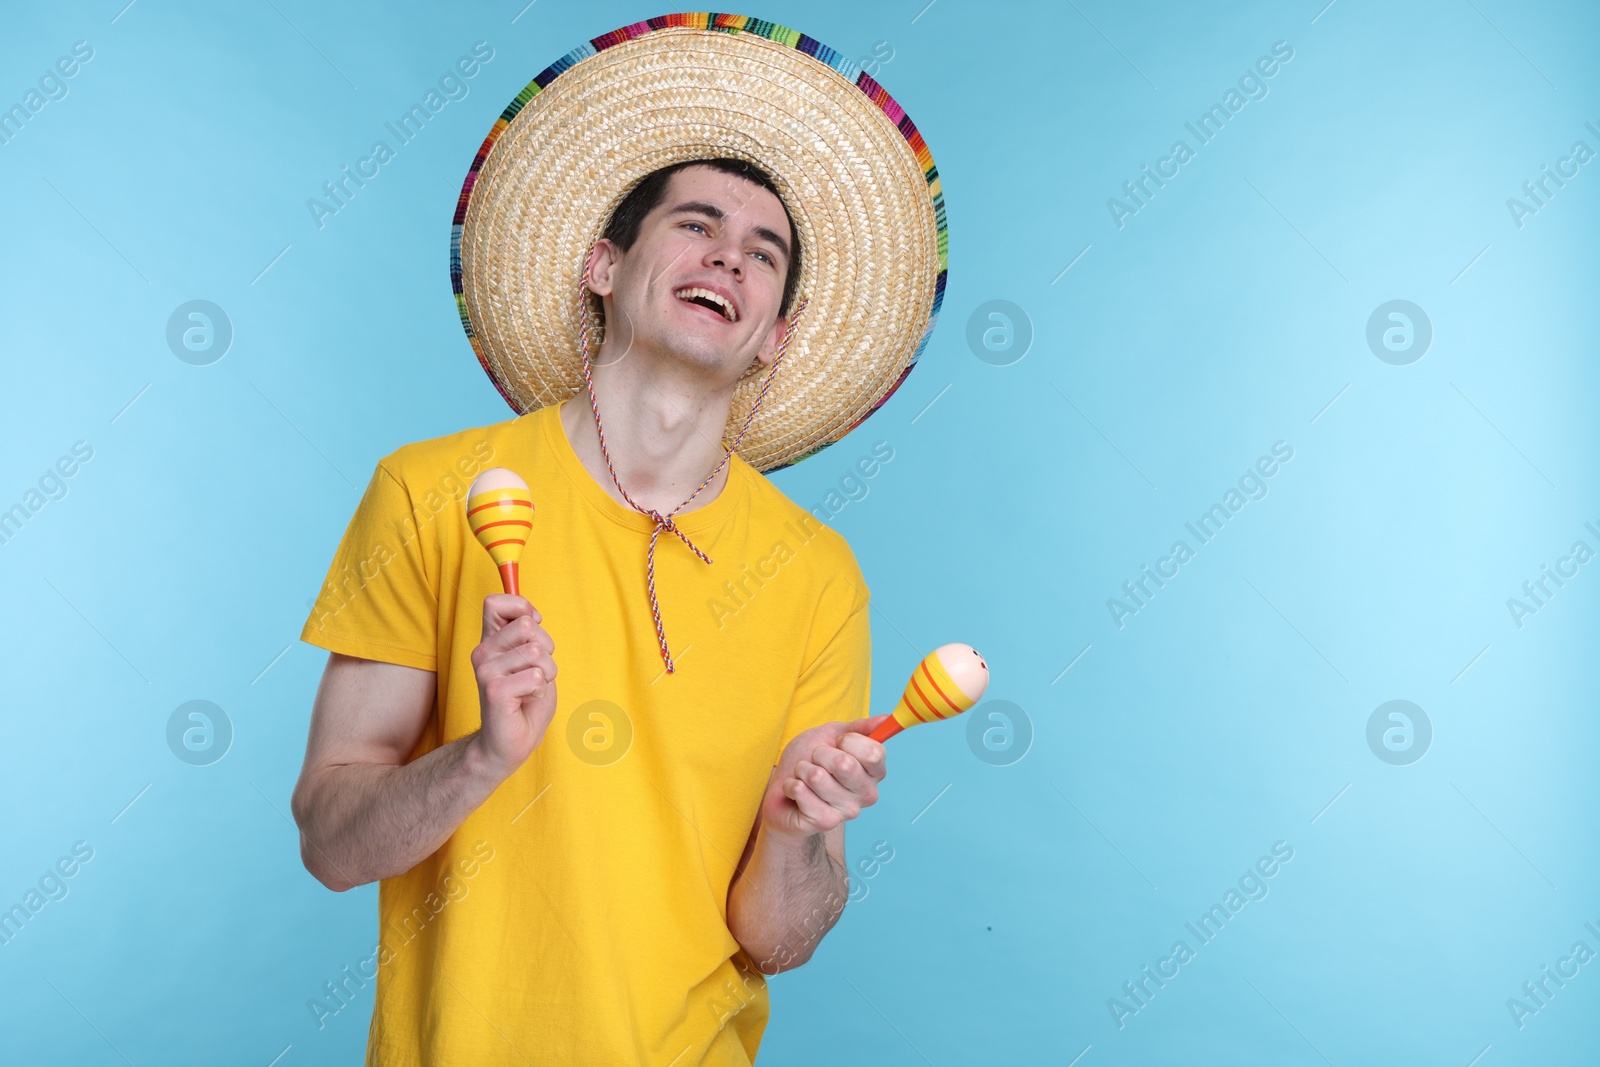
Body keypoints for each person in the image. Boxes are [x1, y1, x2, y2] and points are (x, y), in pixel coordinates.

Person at [291, 15, 946, 1066]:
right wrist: (483, 756)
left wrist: (795, 827)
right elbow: (329, 839)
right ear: (604, 264)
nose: (729, 255)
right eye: (695, 224)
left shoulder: (817, 575)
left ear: (774, 333)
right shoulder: (430, 493)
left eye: (763, 252)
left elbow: (778, 936)